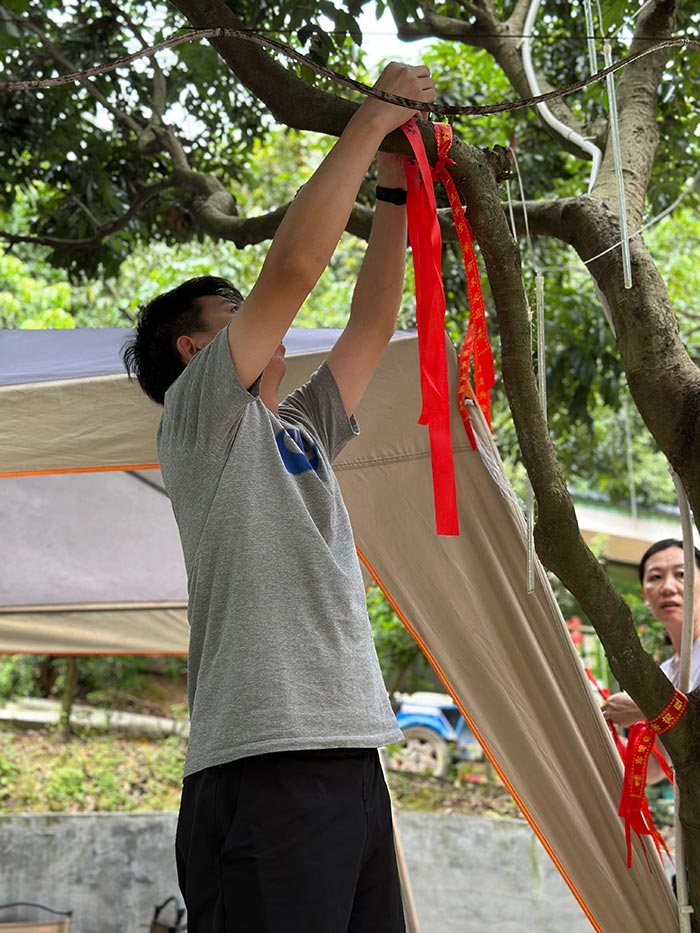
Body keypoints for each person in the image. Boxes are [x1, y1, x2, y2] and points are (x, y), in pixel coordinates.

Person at [122, 62, 436, 933]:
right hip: (264, 760)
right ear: (193, 351)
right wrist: (371, 119)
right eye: (236, 312)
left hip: (348, 759)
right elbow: (296, 267)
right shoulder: (198, 417)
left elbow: (372, 323)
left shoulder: (299, 429)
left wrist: (398, 185)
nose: (269, 319)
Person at [602, 538, 700, 782]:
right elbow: (655, 767)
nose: (668, 587)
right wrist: (596, 728)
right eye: (656, 577)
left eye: (681, 574)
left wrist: (646, 706)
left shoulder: (655, 690)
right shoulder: (664, 673)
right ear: (645, 595)